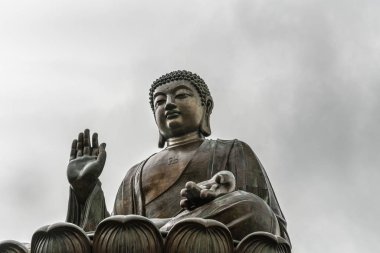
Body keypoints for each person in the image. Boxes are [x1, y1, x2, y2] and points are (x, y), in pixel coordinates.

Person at [66, 70, 290, 243]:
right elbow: (104, 233)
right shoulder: (135, 174)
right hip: (141, 242)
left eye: (181, 95)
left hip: (202, 239)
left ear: (207, 107)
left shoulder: (232, 150)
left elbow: (271, 225)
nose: (169, 104)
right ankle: (163, 232)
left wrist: (215, 200)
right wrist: (85, 189)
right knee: (54, 238)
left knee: (253, 208)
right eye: (160, 101)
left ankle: (163, 232)